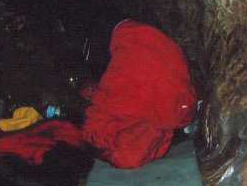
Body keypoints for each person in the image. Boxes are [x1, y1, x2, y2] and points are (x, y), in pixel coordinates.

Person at [83, 19, 197, 168]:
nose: (90, 94)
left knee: (122, 150)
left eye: (89, 91)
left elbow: (99, 122)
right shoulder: (158, 44)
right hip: (179, 109)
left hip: (171, 111)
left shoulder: (124, 65)